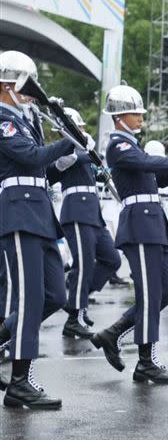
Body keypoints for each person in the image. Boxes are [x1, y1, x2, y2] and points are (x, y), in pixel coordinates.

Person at [90, 85, 168, 384]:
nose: (140, 117)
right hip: (140, 225)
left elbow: (152, 178)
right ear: (119, 117)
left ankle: (114, 332)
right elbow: (144, 164)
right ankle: (147, 361)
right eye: (135, 113)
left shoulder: (133, 145)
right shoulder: (117, 145)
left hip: (154, 224)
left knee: (166, 292)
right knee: (150, 295)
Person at [0, 50, 75, 409]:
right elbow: (29, 156)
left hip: (39, 213)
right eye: (25, 87)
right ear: (6, 87)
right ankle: (20, 382)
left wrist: (66, 156)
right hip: (17, 214)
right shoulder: (2, 119)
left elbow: (42, 168)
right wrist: (67, 141)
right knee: (28, 298)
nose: (30, 95)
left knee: (55, 295)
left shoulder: (27, 120)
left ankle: (2, 336)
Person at [47, 108, 122, 340]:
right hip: (77, 212)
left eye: (80, 128)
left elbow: (97, 173)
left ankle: (76, 301)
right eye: (76, 128)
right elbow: (51, 171)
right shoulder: (64, 152)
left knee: (112, 260)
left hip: (93, 214)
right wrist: (82, 154)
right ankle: (74, 319)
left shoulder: (85, 152)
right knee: (84, 264)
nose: (81, 131)